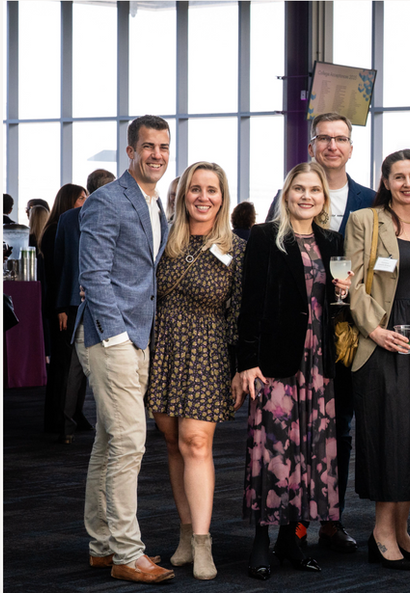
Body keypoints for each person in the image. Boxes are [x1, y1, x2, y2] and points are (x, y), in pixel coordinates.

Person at [238, 162, 352, 581]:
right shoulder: (265, 237)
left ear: (323, 198)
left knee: (309, 450)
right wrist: (247, 361)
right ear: (287, 194)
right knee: (273, 449)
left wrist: (343, 292)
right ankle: (261, 539)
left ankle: (291, 537)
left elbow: (337, 307)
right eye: (299, 189)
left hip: (319, 363)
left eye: (315, 190)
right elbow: (251, 303)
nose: (307, 196)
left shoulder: (332, 240)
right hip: (276, 362)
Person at [74, 114, 174, 584]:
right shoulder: (107, 200)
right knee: (131, 440)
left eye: (164, 147)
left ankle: (101, 546)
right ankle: (128, 554)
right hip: (109, 336)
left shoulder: (155, 205)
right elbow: (93, 274)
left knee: (109, 441)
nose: (157, 154)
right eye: (148, 146)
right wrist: (116, 338)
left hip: (137, 336)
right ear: (130, 151)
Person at [345, 149, 410, 570]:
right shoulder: (366, 221)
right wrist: (374, 329)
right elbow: (349, 283)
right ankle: (381, 533)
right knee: (391, 435)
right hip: (384, 338)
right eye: (398, 176)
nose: (408, 183)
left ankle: (402, 530)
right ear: (385, 182)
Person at [146, 161, 246, 580]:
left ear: (223, 197)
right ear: (183, 194)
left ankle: (203, 543)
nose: (203, 197)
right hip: (164, 350)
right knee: (173, 443)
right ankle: (185, 534)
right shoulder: (162, 240)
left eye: (212, 190)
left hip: (208, 351)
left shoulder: (236, 248)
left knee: (196, 443)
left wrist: (240, 368)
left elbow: (240, 313)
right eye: (195, 189)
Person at [304, 112, 377, 552]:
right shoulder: (295, 192)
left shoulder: (370, 199)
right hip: (302, 330)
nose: (332, 145)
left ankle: (333, 519)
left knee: (342, 429)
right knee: (300, 426)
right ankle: (295, 523)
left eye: (341, 138)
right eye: (324, 138)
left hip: (352, 332)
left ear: (351, 147)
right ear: (313, 146)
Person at [54, 170, 116, 444]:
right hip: (109, 303)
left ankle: (67, 429)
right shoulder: (116, 214)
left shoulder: (67, 218)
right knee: (112, 369)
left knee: (73, 370)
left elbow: (60, 264)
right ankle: (110, 427)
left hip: (72, 301)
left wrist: (60, 305)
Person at [40, 184, 88, 438]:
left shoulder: (75, 227)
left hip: (70, 304)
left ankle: (71, 416)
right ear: (69, 200)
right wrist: (59, 307)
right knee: (64, 366)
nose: (85, 202)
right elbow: (56, 273)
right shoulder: (56, 229)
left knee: (73, 365)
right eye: (81, 198)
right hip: (63, 306)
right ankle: (58, 422)